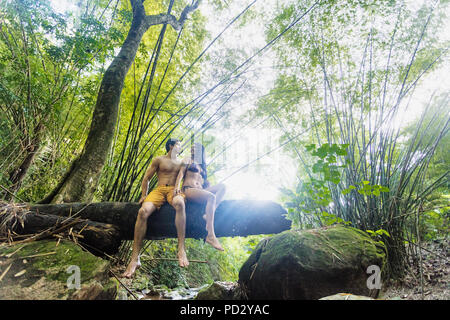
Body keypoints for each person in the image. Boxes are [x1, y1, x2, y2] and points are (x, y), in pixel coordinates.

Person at [122, 138, 188, 278]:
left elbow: (186, 175)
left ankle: (181, 248)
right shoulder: (159, 159)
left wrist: (179, 188)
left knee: (180, 204)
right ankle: (135, 258)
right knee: (142, 211)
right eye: (178, 145)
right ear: (171, 145)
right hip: (158, 190)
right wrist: (143, 195)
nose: (180, 147)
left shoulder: (182, 162)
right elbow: (146, 178)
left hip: (173, 190)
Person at [174, 142, 226, 251]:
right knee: (211, 197)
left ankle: (209, 213)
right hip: (189, 189)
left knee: (223, 187)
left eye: (195, 149)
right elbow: (181, 174)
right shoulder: (187, 159)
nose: (192, 150)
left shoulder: (202, 166)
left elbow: (204, 182)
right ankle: (211, 235)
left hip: (200, 190)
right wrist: (177, 187)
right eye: (191, 148)